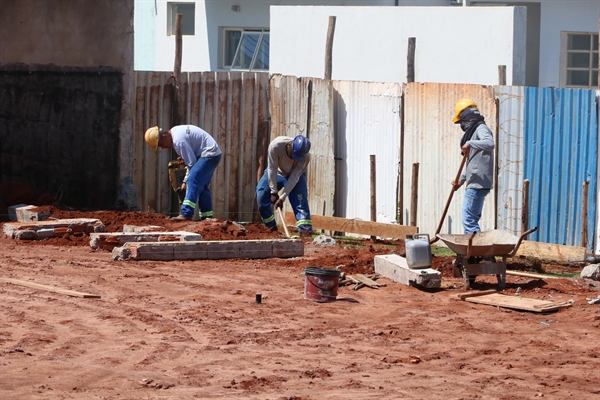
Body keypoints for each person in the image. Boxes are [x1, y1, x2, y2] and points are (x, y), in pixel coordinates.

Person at [144, 124, 222, 221]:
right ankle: (207, 217)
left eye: (161, 144)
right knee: (202, 186)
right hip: (213, 154)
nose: (163, 148)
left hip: (209, 154)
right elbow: (191, 154)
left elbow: (191, 164)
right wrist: (186, 159)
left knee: (193, 178)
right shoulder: (175, 131)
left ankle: (186, 213)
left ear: (164, 136)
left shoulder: (178, 141)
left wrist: (185, 181)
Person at [451, 99, 495, 234]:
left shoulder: (481, 128)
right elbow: (472, 162)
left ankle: (476, 251)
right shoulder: (475, 132)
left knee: (468, 219)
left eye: (461, 122)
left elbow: (490, 143)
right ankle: (474, 252)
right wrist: (461, 181)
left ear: (467, 117)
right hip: (474, 182)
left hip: (477, 183)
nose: (462, 126)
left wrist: (470, 143)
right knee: (471, 219)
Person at [256, 135, 313, 236]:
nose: (294, 158)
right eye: (294, 154)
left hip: (293, 176)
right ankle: (271, 229)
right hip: (276, 172)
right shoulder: (275, 146)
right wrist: (273, 192)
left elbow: (295, 177)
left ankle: (305, 234)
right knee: (261, 196)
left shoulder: (306, 157)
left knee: (300, 202)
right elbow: (272, 169)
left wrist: (282, 198)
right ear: (289, 146)